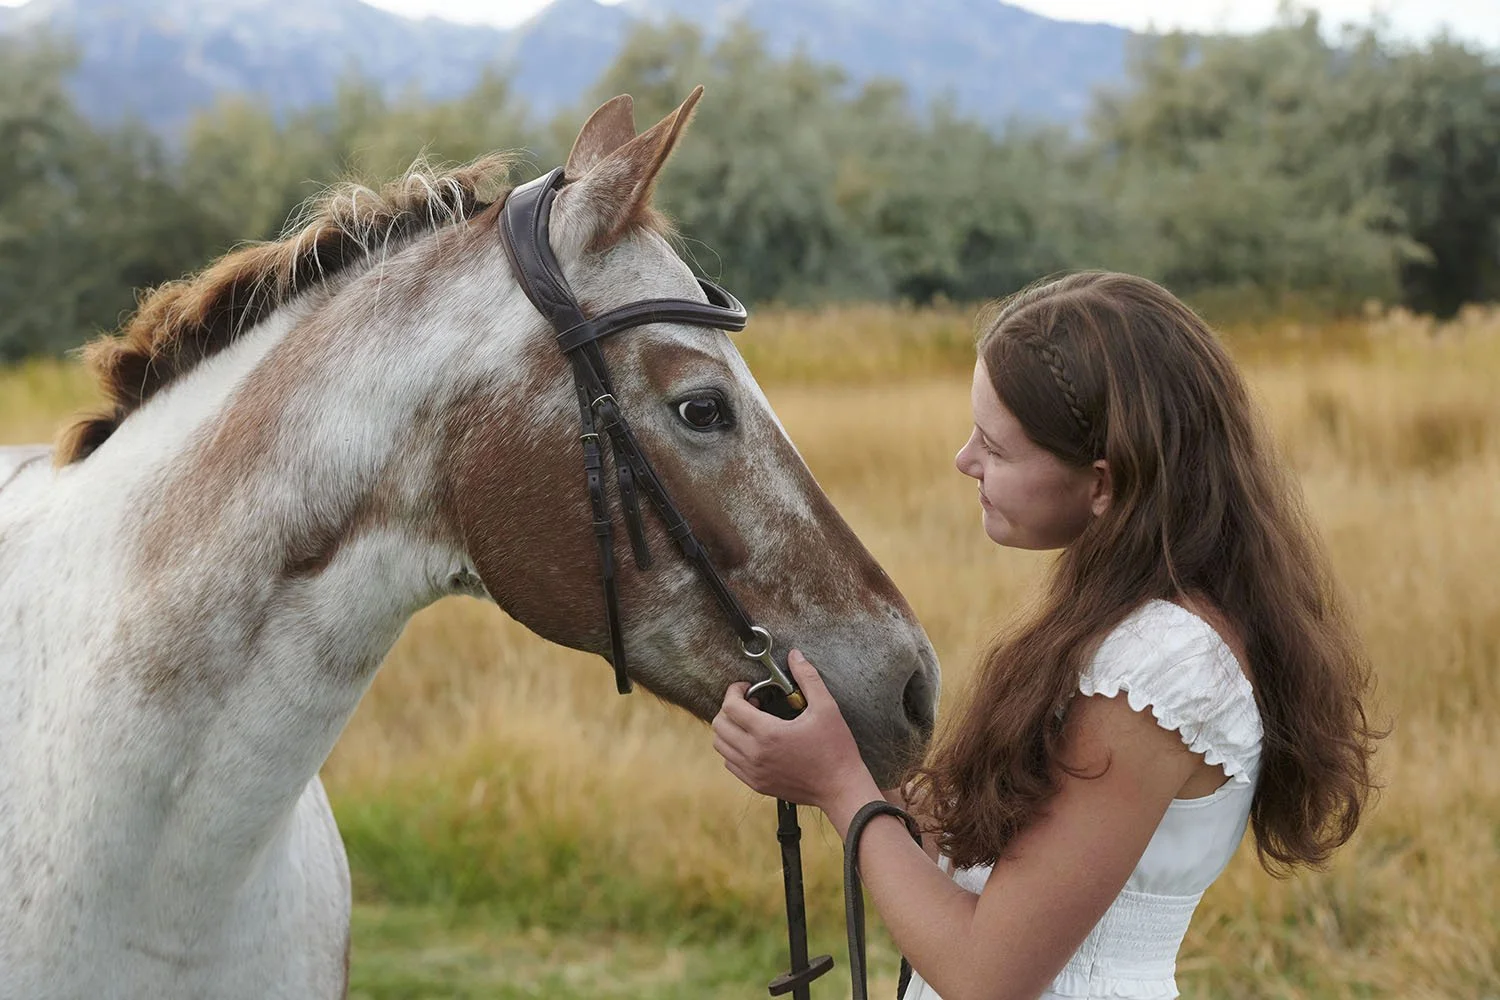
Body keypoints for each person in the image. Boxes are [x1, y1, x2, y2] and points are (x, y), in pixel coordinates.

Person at [711, 271, 1380, 1000]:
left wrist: (840, 787)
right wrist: (846, 756)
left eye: (995, 448)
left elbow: (987, 976)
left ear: (1102, 483)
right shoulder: (1129, 627)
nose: (964, 460)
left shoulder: (1161, 666)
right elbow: (983, 869)